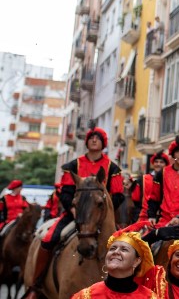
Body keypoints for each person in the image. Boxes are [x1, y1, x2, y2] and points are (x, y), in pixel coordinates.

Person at [27, 127, 125, 299]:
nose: (94, 140)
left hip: (101, 216)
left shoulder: (112, 167)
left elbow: (118, 196)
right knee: (49, 239)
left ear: (103, 143)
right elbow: (65, 193)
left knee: (129, 247)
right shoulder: (73, 165)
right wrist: (73, 209)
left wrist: (102, 211)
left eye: (98, 138)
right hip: (74, 214)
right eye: (91, 138)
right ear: (86, 142)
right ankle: (36, 285)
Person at [71, 230, 158, 298]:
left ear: (136, 261)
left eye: (124, 249)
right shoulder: (85, 296)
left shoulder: (149, 297)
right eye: (112, 248)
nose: (116, 252)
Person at [141, 137, 179, 227]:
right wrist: (152, 216)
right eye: (177, 151)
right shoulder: (161, 173)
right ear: (173, 154)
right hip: (163, 223)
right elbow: (154, 198)